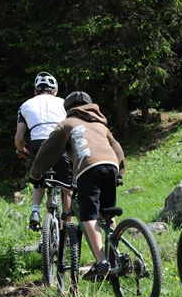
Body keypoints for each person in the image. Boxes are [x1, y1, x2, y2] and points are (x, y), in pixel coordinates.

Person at [30, 91, 125, 281]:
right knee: (106, 213)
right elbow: (117, 148)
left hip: (88, 168)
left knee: (87, 214)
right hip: (111, 165)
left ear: (68, 109)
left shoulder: (67, 124)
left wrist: (35, 173)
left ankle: (101, 262)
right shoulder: (100, 125)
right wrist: (120, 172)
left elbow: (48, 150)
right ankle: (117, 251)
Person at [15, 71, 73, 232]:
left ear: (35, 91)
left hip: (37, 145)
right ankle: (68, 225)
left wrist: (23, 151)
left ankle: (35, 210)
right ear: (54, 91)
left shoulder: (25, 105)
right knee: (68, 187)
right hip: (60, 143)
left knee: (38, 176)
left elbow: (19, 139)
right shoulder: (64, 102)